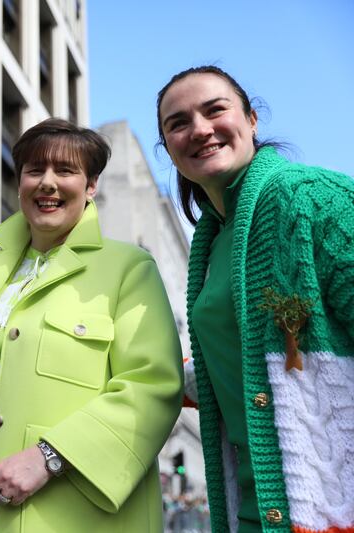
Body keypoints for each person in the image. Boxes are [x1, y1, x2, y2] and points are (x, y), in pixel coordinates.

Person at [0, 118, 184, 532]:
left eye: (65, 171)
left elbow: (153, 385)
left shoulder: (129, 269)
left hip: (66, 518)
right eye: (35, 171)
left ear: (91, 187)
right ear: (19, 184)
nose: (48, 183)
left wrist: (49, 457)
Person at [156, 65, 354, 532]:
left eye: (214, 110)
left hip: (329, 510)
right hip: (251, 508)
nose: (200, 129)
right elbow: (240, 359)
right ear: (168, 147)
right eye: (178, 123)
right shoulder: (211, 239)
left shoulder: (314, 199)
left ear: (251, 120)